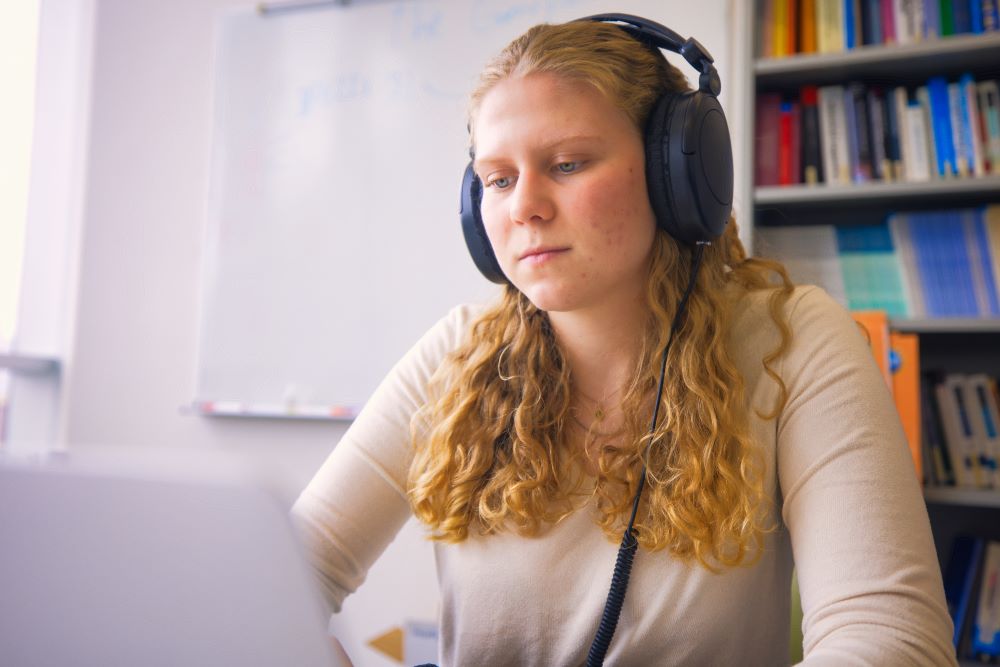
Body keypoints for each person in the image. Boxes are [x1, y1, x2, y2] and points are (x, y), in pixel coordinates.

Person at [291, 16, 956, 666]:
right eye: (498, 178)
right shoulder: (454, 354)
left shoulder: (794, 341)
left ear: (678, 174)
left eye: (568, 162)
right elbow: (286, 571)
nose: (523, 206)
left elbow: (893, 640)